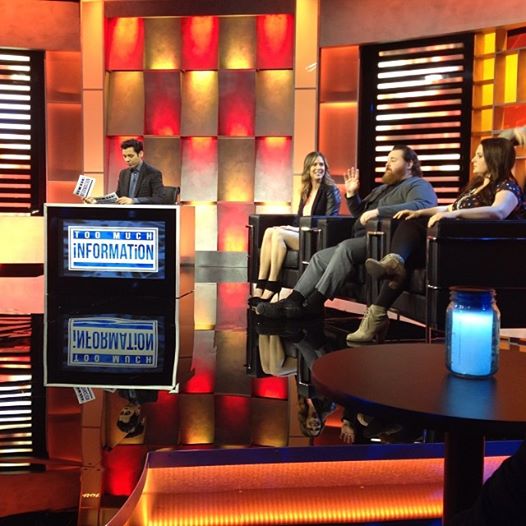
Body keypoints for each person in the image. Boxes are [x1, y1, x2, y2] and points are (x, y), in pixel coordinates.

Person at [347, 136, 524, 344]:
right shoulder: (476, 186)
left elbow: (498, 212)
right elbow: (448, 207)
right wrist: (420, 211)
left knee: (412, 238)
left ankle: (382, 297)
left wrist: (456, 215)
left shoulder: (507, 186)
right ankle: (384, 291)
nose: (473, 160)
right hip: (450, 248)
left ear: (494, 158)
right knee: (410, 231)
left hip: (475, 253)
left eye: (479, 156)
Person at [256, 145, 437, 319]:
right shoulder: (382, 188)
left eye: (393, 160)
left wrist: (379, 212)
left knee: (345, 248)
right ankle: (293, 301)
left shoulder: (417, 185)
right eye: (387, 160)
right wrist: (352, 195)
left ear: (409, 163)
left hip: (384, 240)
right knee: (319, 258)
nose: (387, 164)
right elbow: (360, 214)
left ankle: (314, 304)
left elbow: (422, 205)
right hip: (361, 237)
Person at [249, 151, 341, 307]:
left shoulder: (331, 190)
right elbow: (299, 220)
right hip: (302, 233)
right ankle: (261, 283)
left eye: (321, 164)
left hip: (316, 236)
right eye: (314, 164)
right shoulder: (306, 190)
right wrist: (289, 228)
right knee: (270, 231)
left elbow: (329, 221)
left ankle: (273, 284)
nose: (319, 167)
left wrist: (290, 230)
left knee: (278, 234)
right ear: (308, 168)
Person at [84, 139, 166, 205]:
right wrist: (96, 201)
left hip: (145, 216)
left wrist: (133, 201)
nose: (127, 160)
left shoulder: (153, 173)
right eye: (124, 156)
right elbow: (118, 197)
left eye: (130, 156)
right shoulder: (123, 173)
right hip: (125, 215)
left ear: (140, 154)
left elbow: (159, 199)